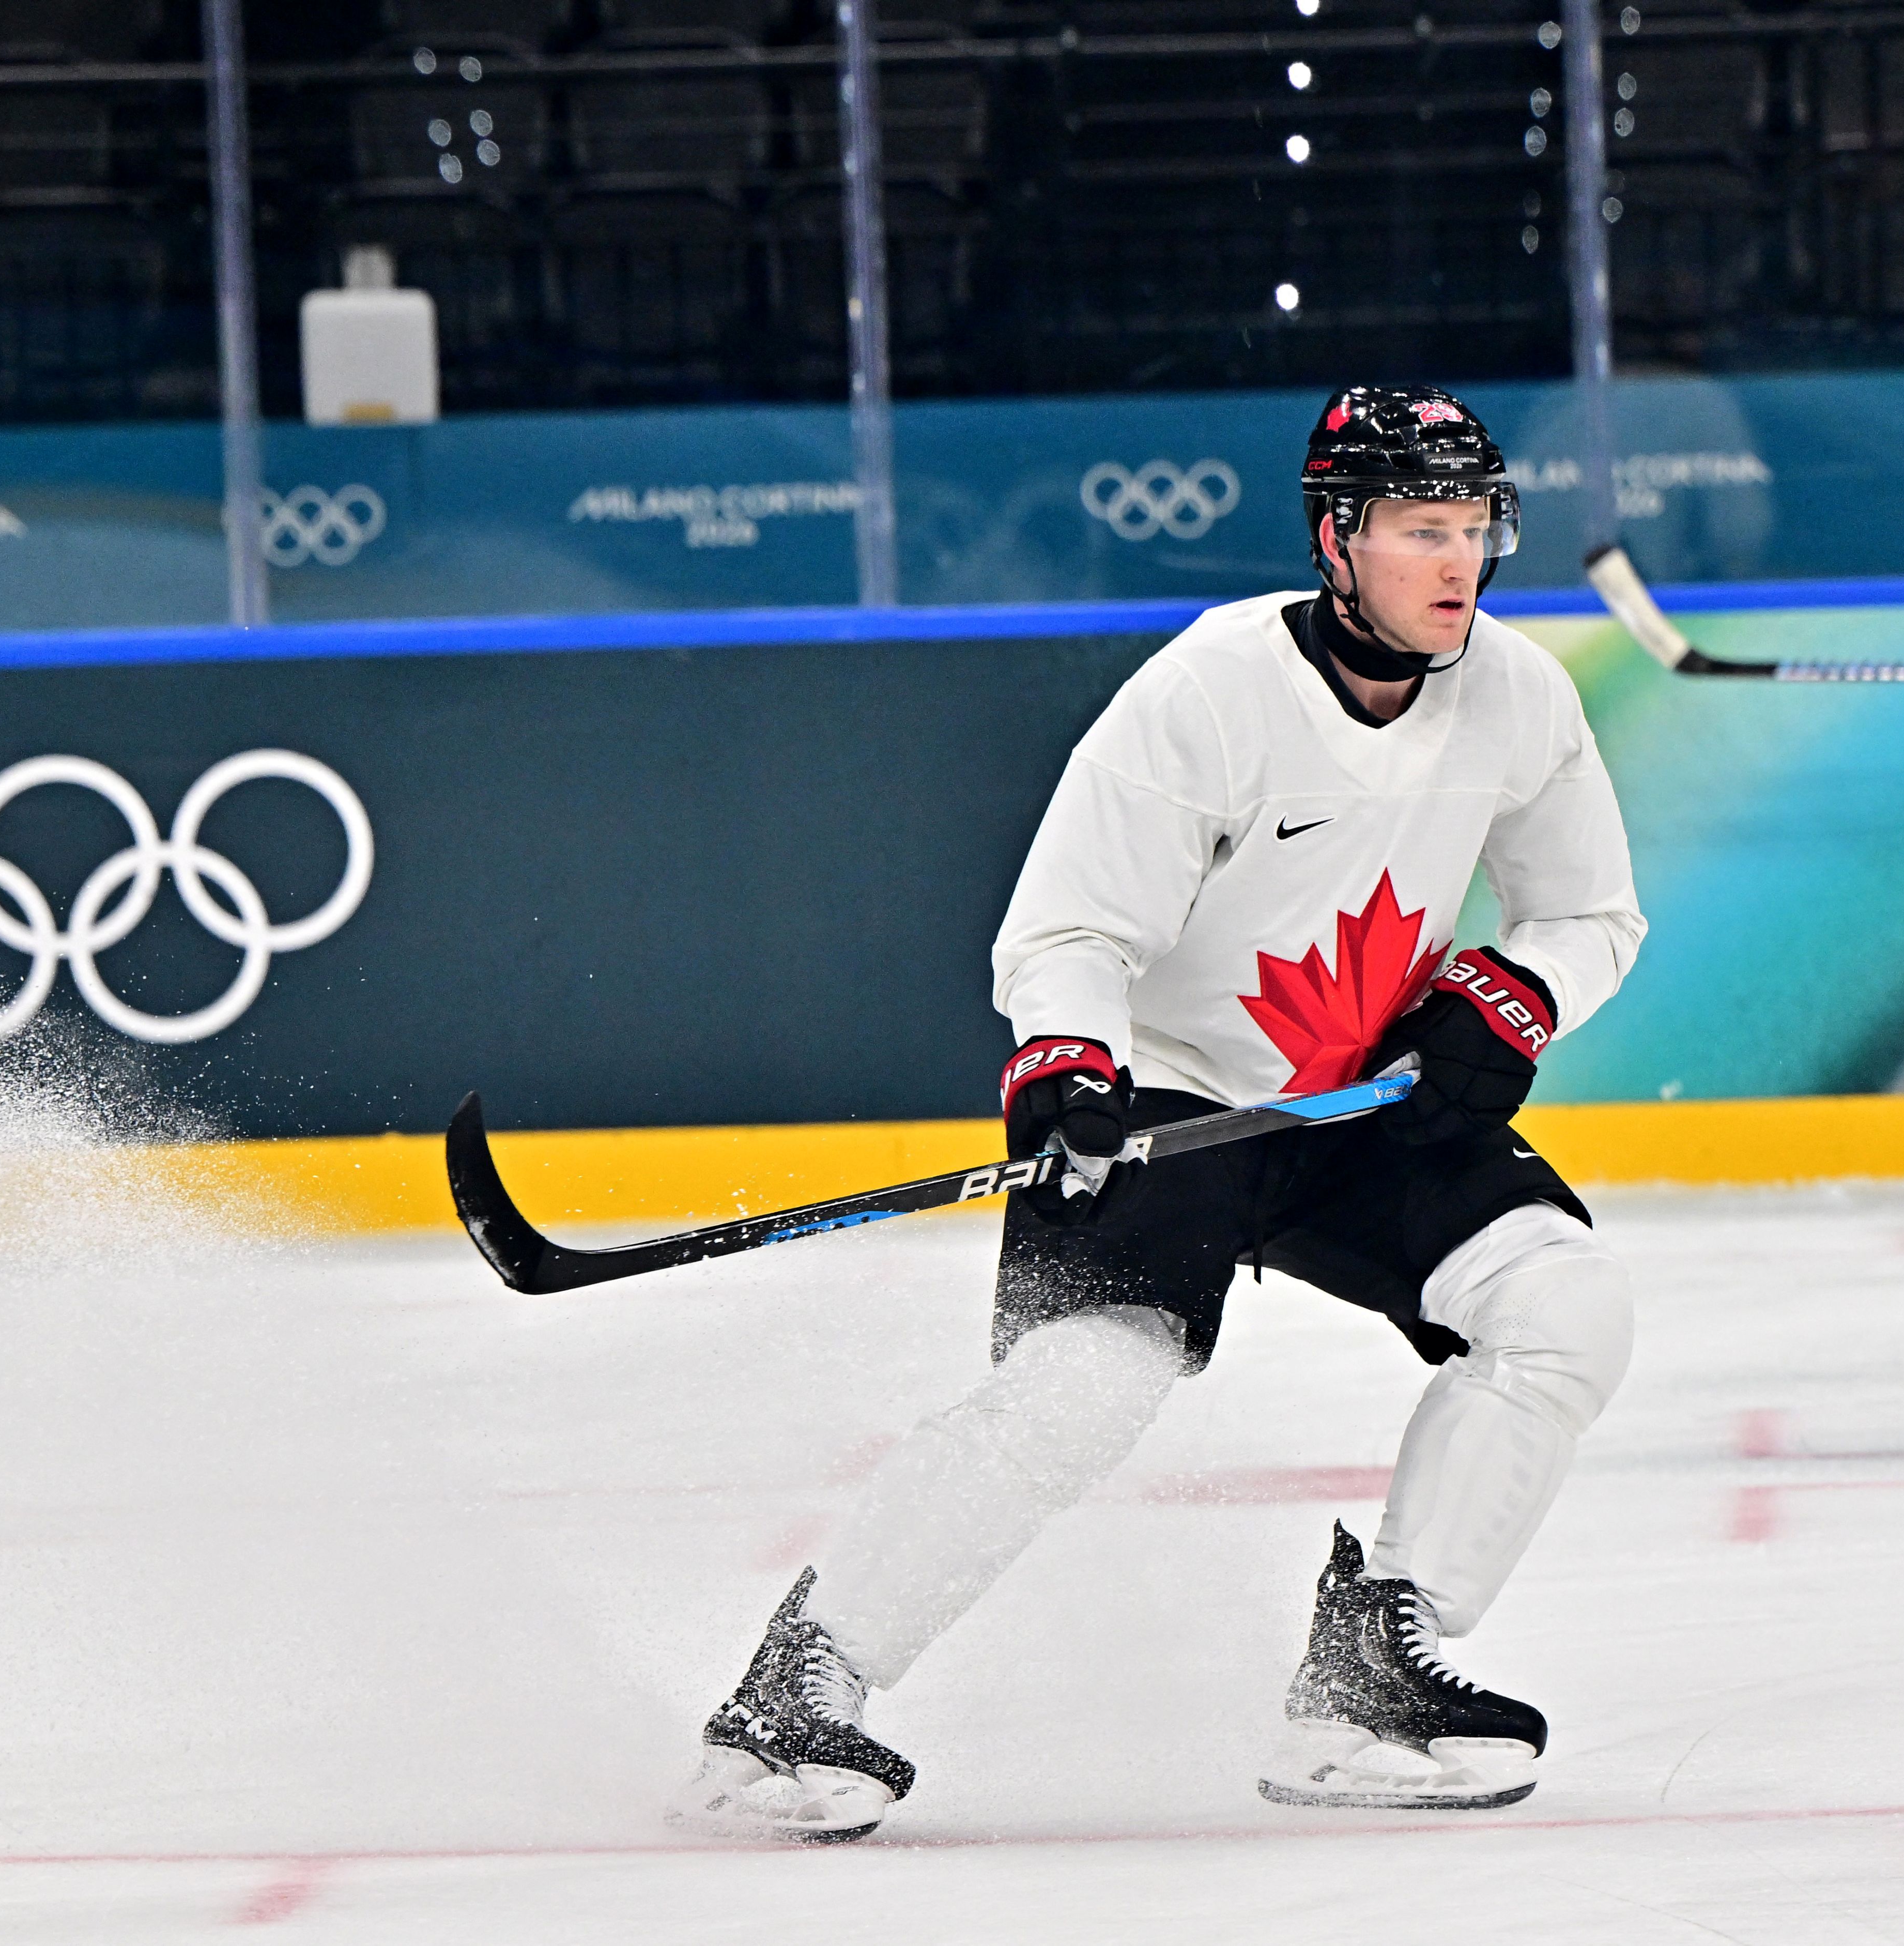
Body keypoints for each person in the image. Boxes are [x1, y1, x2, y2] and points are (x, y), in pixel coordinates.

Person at [669, 385, 1647, 1840]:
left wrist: (1508, 997)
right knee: (1086, 1384)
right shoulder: (1211, 690)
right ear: (1337, 536)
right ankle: (794, 1692)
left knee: (1565, 1305)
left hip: (1359, 1092)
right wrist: (1070, 1060)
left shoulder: (1521, 696)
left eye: (1474, 528)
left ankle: (1374, 1666)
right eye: (1419, 529)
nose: (1459, 563)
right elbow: (1068, 927)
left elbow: (1592, 911)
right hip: (1173, 1093)